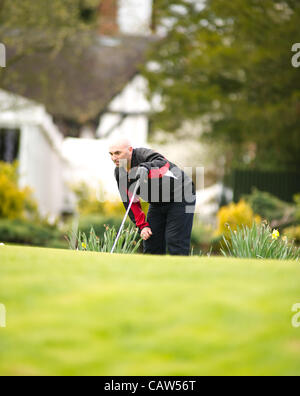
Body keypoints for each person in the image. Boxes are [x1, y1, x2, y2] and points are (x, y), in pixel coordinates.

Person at [109, 138, 196, 256]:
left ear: (130, 150)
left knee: (175, 240)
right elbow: (130, 201)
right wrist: (142, 226)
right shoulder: (120, 172)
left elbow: (164, 165)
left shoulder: (144, 155)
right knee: (151, 241)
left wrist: (146, 168)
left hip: (181, 196)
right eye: (111, 154)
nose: (114, 158)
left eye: (118, 153)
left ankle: (180, 273)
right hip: (157, 202)